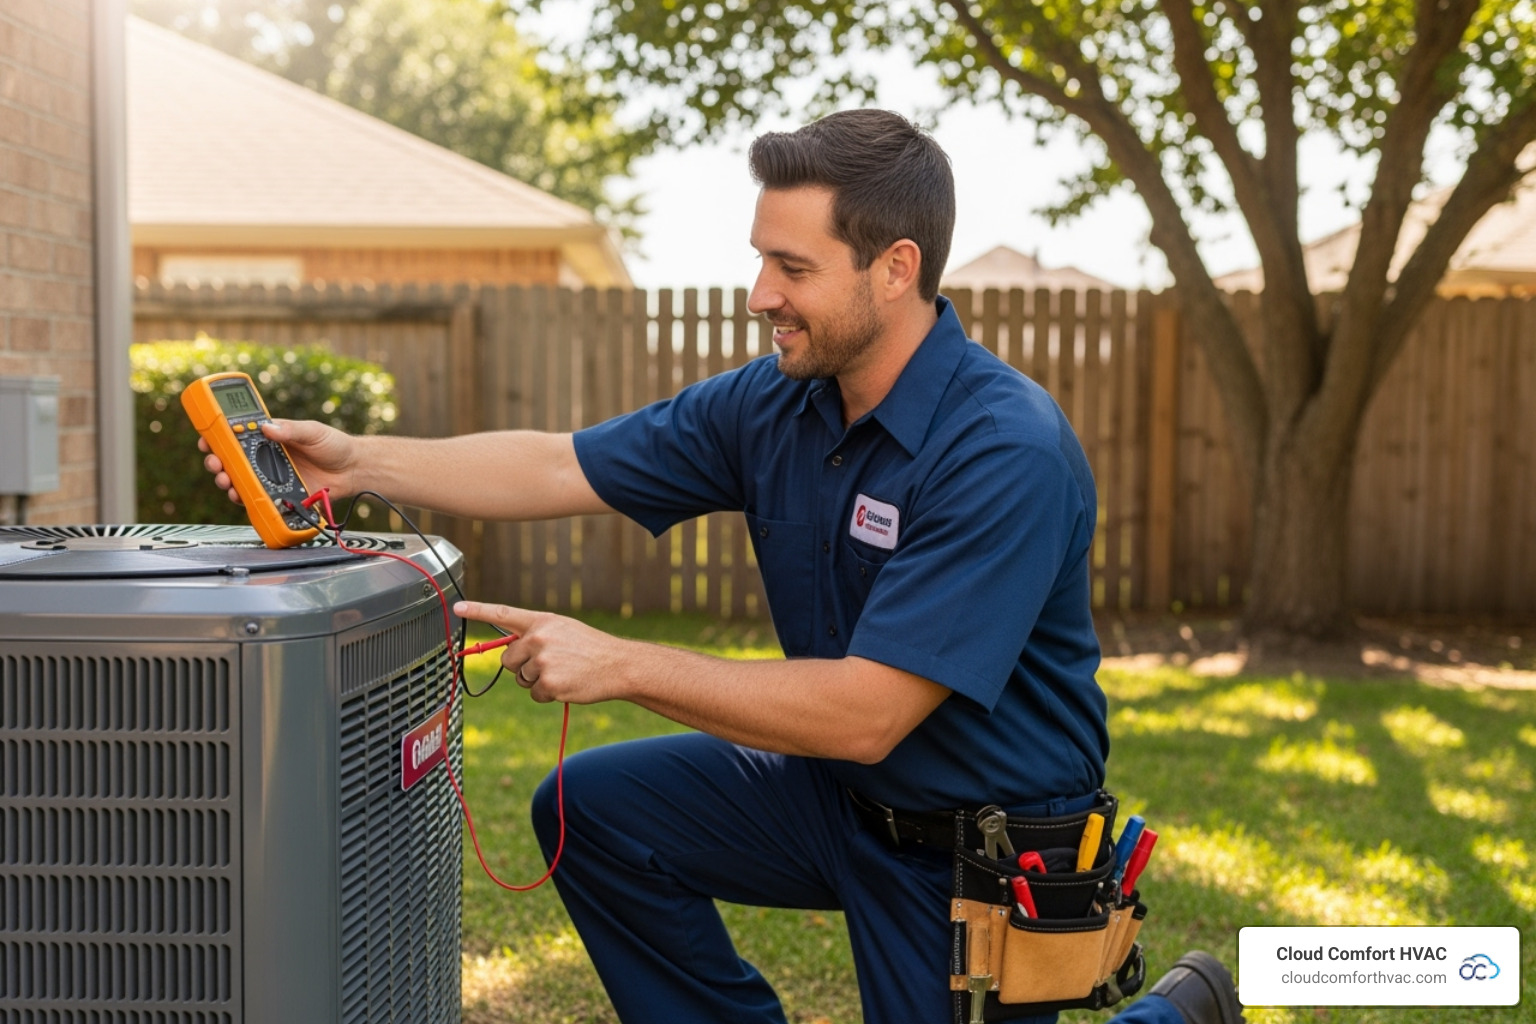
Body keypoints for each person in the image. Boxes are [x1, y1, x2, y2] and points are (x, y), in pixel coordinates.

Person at [200, 109, 1242, 1024]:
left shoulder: (1002, 448)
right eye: (762, 259)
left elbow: (866, 711)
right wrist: (357, 458)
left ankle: (1176, 1009)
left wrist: (623, 664)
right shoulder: (774, 401)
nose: (759, 294)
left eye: (793, 268)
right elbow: (565, 461)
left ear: (896, 267)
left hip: (975, 845)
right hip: (835, 798)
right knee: (588, 810)